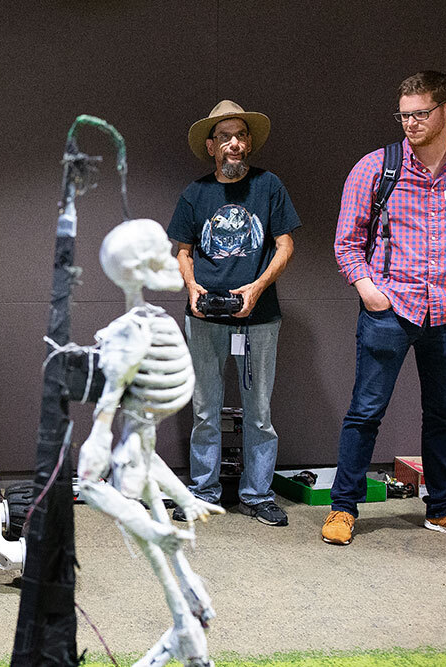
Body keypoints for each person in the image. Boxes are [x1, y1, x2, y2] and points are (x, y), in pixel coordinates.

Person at [325, 71, 446, 545]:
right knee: (365, 412)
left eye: (420, 113)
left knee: (444, 416)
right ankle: (343, 508)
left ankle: (444, 507)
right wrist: (368, 288)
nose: (410, 123)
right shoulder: (375, 167)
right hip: (391, 309)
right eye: (404, 114)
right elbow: (347, 242)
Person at [167, 100, 301, 526]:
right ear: (211, 146)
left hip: (259, 318)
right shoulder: (196, 193)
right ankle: (203, 491)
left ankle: (258, 494)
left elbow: (285, 245)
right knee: (205, 410)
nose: (234, 143)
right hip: (204, 316)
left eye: (240, 135)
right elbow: (183, 252)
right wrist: (192, 288)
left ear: (249, 143)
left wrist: (257, 288)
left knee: (258, 411)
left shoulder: (269, 186)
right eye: (224, 136)